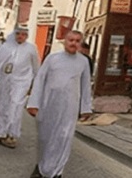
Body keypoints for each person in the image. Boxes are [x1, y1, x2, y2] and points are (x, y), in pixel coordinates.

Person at [26, 30, 93, 178]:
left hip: (70, 107)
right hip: (49, 104)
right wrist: (33, 103)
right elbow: (40, 80)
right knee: (46, 138)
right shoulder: (52, 58)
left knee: (64, 138)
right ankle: (42, 168)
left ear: (80, 43)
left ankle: (57, 172)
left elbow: (86, 85)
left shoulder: (83, 61)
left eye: (77, 41)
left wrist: (86, 108)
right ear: (65, 42)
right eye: (71, 40)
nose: (73, 43)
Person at [0, 25, 40, 148]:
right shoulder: (6, 47)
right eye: (18, 34)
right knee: (3, 106)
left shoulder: (31, 49)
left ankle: (12, 134)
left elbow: (36, 67)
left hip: (22, 82)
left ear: (26, 36)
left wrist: (35, 85)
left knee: (15, 106)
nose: (20, 36)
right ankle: (1, 133)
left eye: (23, 34)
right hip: (5, 80)